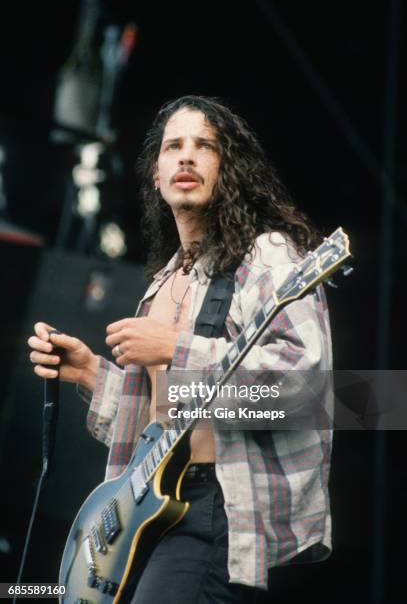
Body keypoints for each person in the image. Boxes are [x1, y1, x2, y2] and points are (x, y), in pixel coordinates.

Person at [28, 95, 333, 603]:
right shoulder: (164, 280)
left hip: (219, 506)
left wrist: (176, 346)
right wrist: (91, 375)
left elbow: (306, 391)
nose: (186, 157)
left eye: (205, 146)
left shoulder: (269, 256)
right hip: (147, 510)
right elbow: (164, 418)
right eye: (174, 146)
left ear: (228, 168)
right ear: (155, 173)